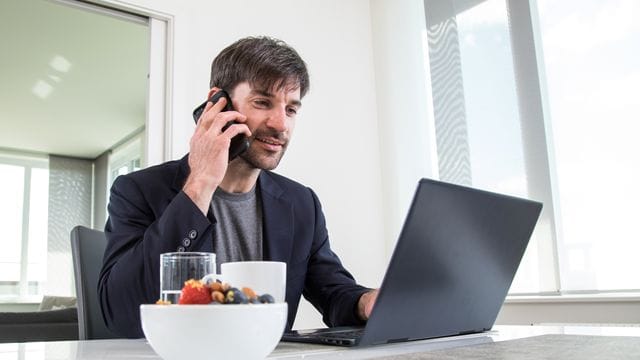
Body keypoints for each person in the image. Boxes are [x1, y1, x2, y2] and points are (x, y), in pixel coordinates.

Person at [98, 36, 378, 338]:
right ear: (217, 103)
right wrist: (201, 182)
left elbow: (334, 291)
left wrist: (367, 302)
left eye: (292, 109)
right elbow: (120, 313)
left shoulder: (301, 204)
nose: (281, 123)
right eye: (262, 102)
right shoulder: (138, 190)